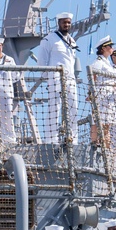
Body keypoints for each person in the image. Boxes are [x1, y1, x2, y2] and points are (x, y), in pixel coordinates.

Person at [36, 12, 79, 145]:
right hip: (55, 77)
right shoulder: (49, 39)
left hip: (70, 78)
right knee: (54, 108)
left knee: (73, 108)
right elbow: (42, 60)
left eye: (68, 22)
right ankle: (51, 139)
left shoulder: (72, 40)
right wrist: (48, 77)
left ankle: (73, 138)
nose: (66, 25)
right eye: (64, 22)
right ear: (59, 23)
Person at [86, 35, 116, 146]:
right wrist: (91, 93)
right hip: (100, 96)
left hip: (109, 97)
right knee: (97, 122)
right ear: (103, 48)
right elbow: (93, 77)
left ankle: (106, 148)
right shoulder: (98, 62)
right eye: (110, 46)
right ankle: (95, 143)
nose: (111, 48)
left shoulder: (108, 63)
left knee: (107, 124)